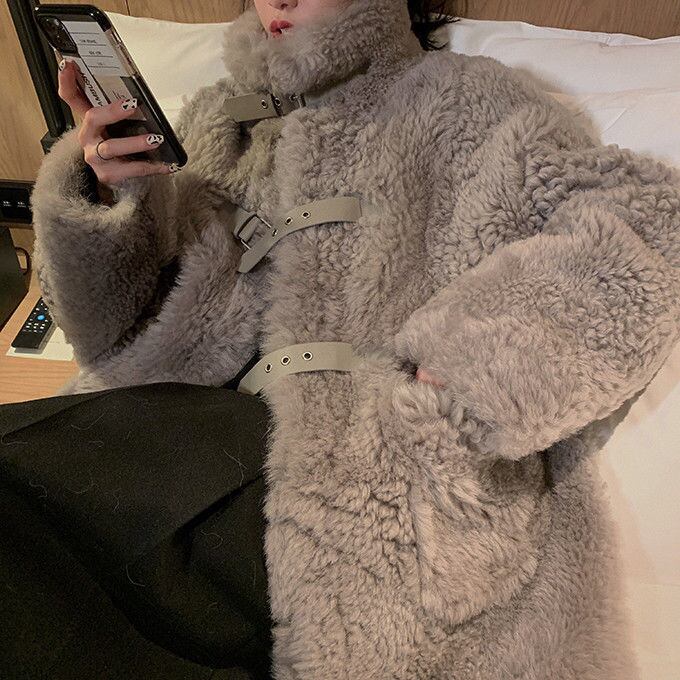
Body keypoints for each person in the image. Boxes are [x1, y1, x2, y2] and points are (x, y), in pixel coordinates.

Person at [4, 0, 680, 677]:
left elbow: (648, 230)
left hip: (365, 477)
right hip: (167, 430)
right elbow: (106, 330)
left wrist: (467, 376)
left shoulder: (472, 98)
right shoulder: (220, 117)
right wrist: (112, 200)